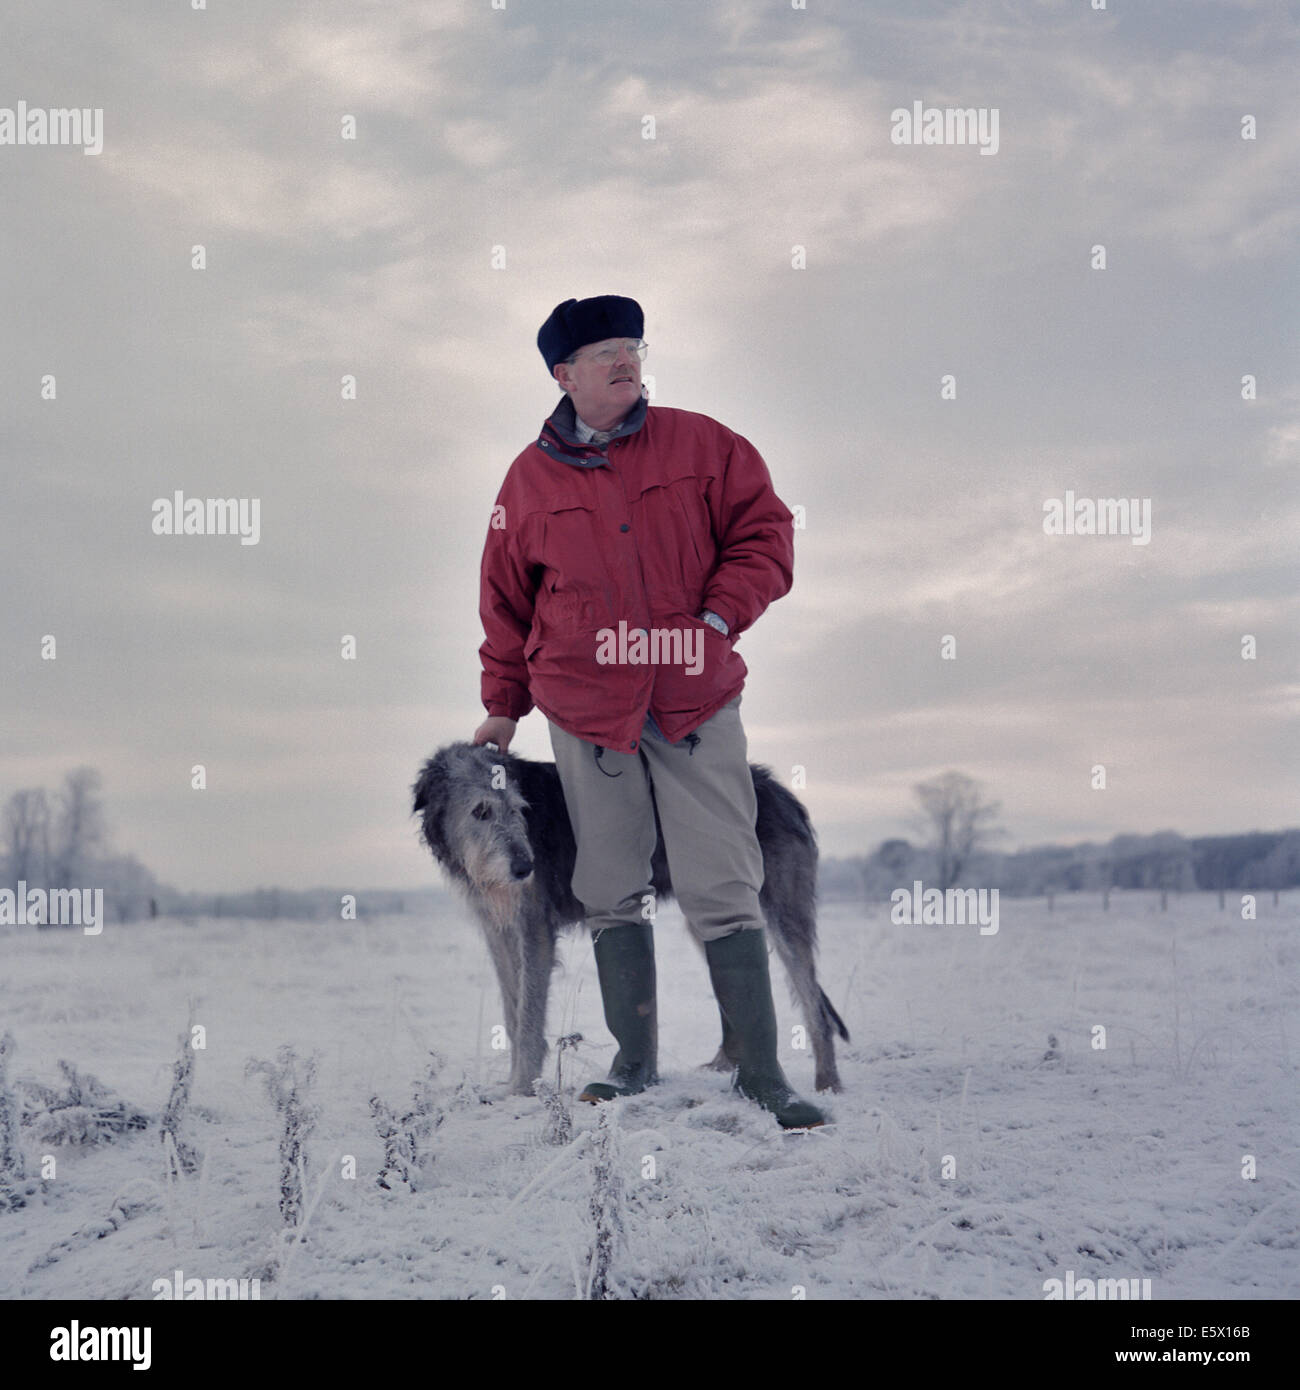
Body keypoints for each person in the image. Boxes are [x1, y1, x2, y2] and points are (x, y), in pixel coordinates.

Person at [472, 294, 823, 1129]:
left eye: (632, 346)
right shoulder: (526, 480)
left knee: (722, 878)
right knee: (607, 885)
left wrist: (713, 622)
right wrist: (502, 705)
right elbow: (505, 599)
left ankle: (763, 1072)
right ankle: (633, 1066)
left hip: (691, 692)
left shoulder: (707, 445)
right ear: (564, 375)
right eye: (603, 353)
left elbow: (767, 536)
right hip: (584, 707)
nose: (625, 361)